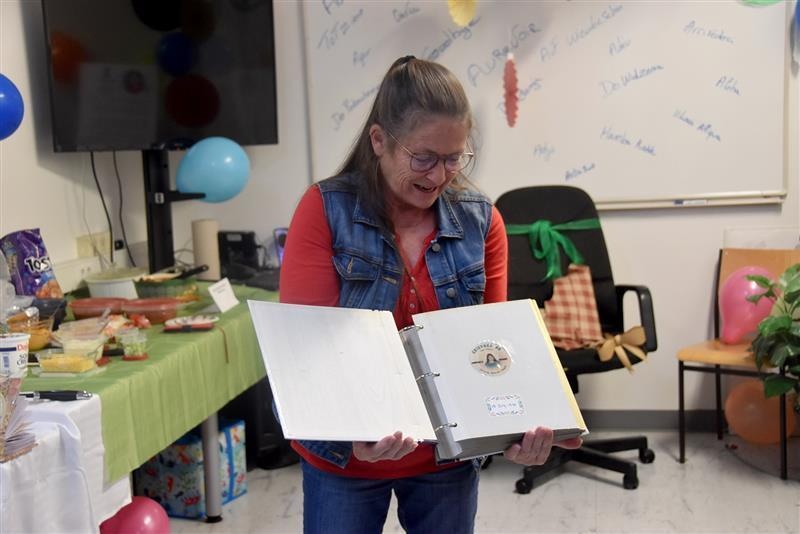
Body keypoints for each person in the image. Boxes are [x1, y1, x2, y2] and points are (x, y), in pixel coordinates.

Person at [279, 56, 582, 534]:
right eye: (423, 157)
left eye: (454, 158)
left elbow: (494, 353)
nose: (439, 176)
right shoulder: (324, 210)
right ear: (379, 141)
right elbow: (309, 353)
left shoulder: (482, 221)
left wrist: (518, 427)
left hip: (446, 457)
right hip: (348, 459)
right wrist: (354, 435)